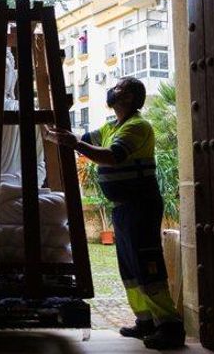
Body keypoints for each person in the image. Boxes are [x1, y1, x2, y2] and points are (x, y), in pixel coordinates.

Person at [44, 77, 185, 349]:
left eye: (118, 88)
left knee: (147, 266)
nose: (112, 90)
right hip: (123, 208)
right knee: (129, 268)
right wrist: (53, 135)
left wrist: (73, 144)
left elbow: (111, 155)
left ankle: (170, 326)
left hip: (141, 206)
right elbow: (84, 140)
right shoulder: (112, 126)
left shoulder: (137, 127)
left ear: (129, 97)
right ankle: (144, 321)